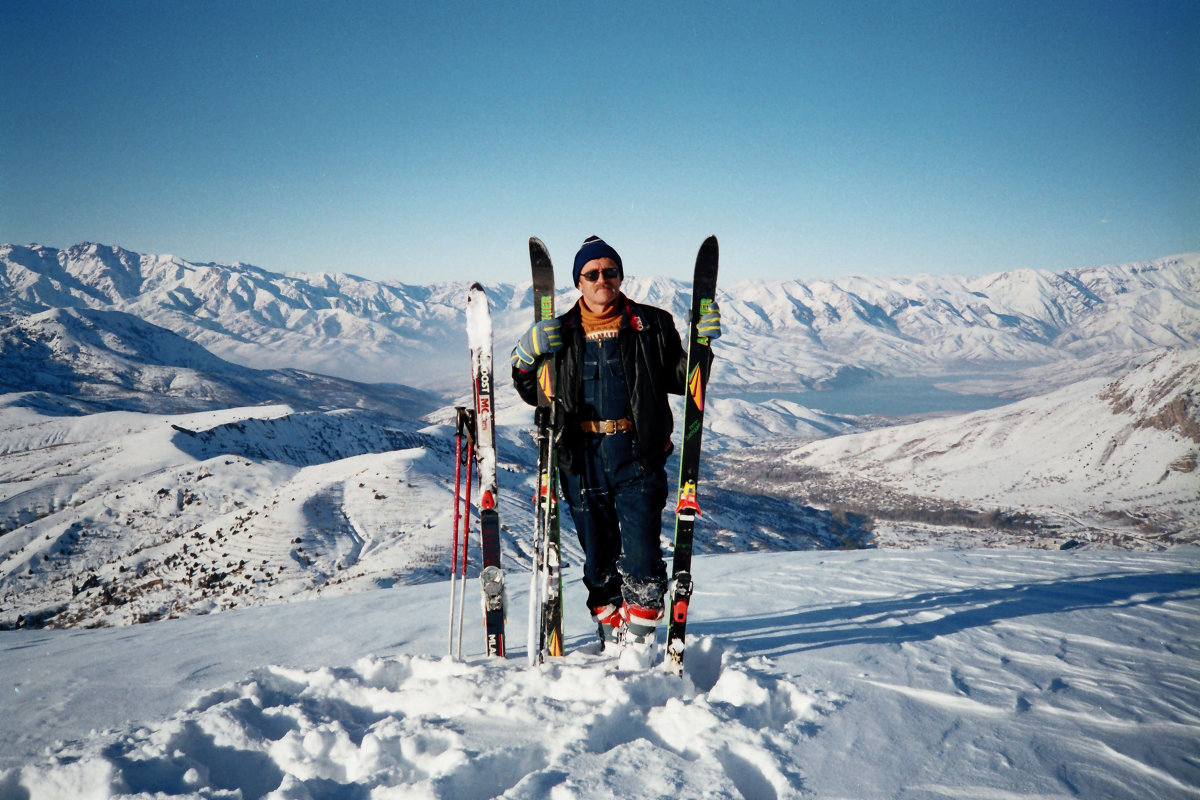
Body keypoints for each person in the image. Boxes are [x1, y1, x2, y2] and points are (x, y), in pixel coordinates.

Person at [511, 235, 721, 667]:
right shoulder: (559, 333)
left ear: (621, 276)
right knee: (597, 558)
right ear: (578, 282)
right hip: (580, 459)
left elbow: (684, 380)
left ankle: (640, 642)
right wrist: (525, 358)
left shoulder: (652, 324)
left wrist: (702, 347)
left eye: (610, 271)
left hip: (637, 456)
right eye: (592, 273)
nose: (602, 279)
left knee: (642, 554)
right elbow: (537, 394)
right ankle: (610, 632)